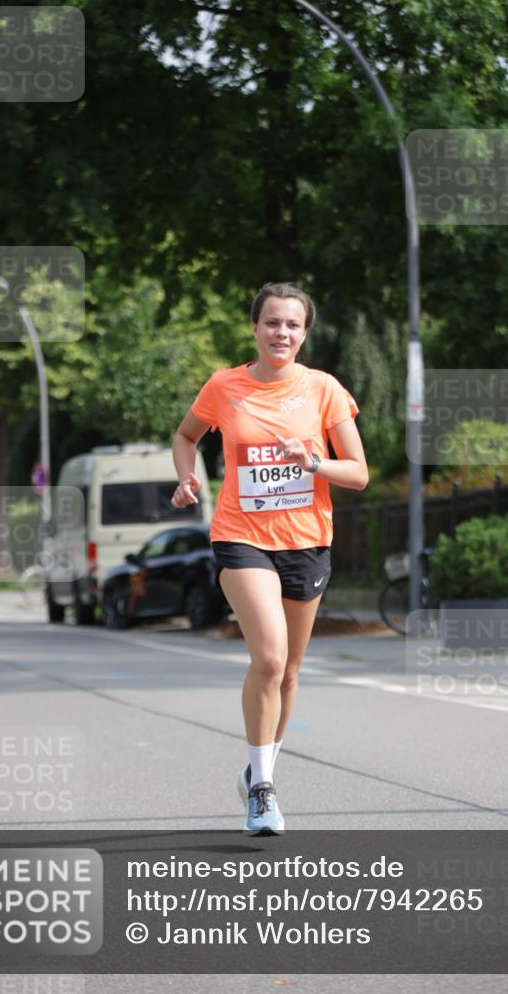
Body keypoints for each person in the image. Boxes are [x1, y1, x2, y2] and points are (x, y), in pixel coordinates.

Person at [171, 282, 368, 835]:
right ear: (255, 328)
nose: (282, 333)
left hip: (306, 540)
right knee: (271, 658)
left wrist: (313, 462)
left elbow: (358, 472)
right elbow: (186, 436)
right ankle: (262, 790)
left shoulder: (324, 389)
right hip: (242, 536)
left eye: (293, 325)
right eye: (272, 323)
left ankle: (259, 768)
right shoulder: (224, 386)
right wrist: (186, 478)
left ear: (305, 334)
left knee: (290, 672)